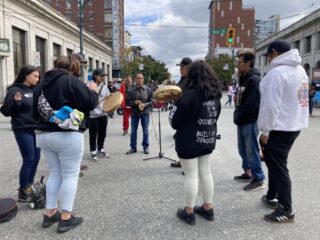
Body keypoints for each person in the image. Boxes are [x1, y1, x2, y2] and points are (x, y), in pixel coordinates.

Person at [33, 55, 98, 233]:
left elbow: (34, 111)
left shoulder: (40, 86)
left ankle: (50, 212)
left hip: (43, 135)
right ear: (71, 68)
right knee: (70, 175)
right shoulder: (72, 82)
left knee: (54, 174)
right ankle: (66, 217)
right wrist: (92, 89)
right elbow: (91, 103)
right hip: (67, 134)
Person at [258, 39, 309, 223]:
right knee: (275, 162)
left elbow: (270, 106)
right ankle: (272, 195)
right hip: (294, 125)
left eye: (269, 56)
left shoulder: (277, 73)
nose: (268, 60)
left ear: (275, 54)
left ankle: (286, 209)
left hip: (279, 126)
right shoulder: (300, 70)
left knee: (279, 167)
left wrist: (265, 130)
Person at [169, 60, 221, 225]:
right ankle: (208, 207)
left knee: (191, 175)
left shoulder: (189, 94)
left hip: (189, 140)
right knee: (206, 172)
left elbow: (174, 121)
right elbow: (215, 116)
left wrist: (175, 103)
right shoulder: (215, 95)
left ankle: (189, 211)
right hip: (207, 138)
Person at [0, 65, 41, 202]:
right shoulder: (15, 90)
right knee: (29, 159)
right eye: (35, 76)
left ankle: (29, 185)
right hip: (23, 129)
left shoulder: (36, 90)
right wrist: (16, 103)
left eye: (38, 76)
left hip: (37, 129)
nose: (37, 78)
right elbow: (5, 111)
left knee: (36, 159)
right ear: (26, 75)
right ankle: (23, 190)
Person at [233, 52, 265, 191]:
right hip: (242, 120)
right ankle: (248, 172)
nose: (237, 65)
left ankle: (258, 178)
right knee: (242, 149)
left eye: (240, 62)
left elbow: (253, 104)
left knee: (252, 150)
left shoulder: (253, 80)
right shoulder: (243, 78)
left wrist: (240, 116)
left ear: (248, 63)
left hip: (250, 121)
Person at [170, 57, 193, 168]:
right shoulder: (182, 79)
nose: (180, 69)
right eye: (180, 67)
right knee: (178, 138)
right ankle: (183, 160)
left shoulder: (191, 80)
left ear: (188, 68)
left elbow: (188, 98)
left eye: (182, 67)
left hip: (188, 115)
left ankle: (187, 165)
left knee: (186, 140)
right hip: (181, 113)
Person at [126, 73, 153, 155]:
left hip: (145, 112)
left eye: (141, 78)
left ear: (143, 79)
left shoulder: (148, 89)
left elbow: (152, 101)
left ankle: (146, 147)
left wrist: (145, 105)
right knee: (133, 131)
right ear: (135, 79)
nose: (139, 80)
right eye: (137, 78)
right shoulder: (130, 90)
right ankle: (133, 147)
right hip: (134, 113)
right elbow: (127, 102)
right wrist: (134, 102)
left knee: (145, 131)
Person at [88, 68, 110, 161]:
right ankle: (93, 151)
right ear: (95, 76)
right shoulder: (89, 85)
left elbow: (108, 98)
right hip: (93, 114)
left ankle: (100, 149)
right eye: (101, 76)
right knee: (93, 133)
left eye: (103, 76)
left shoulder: (105, 87)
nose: (103, 78)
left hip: (103, 113)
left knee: (102, 133)